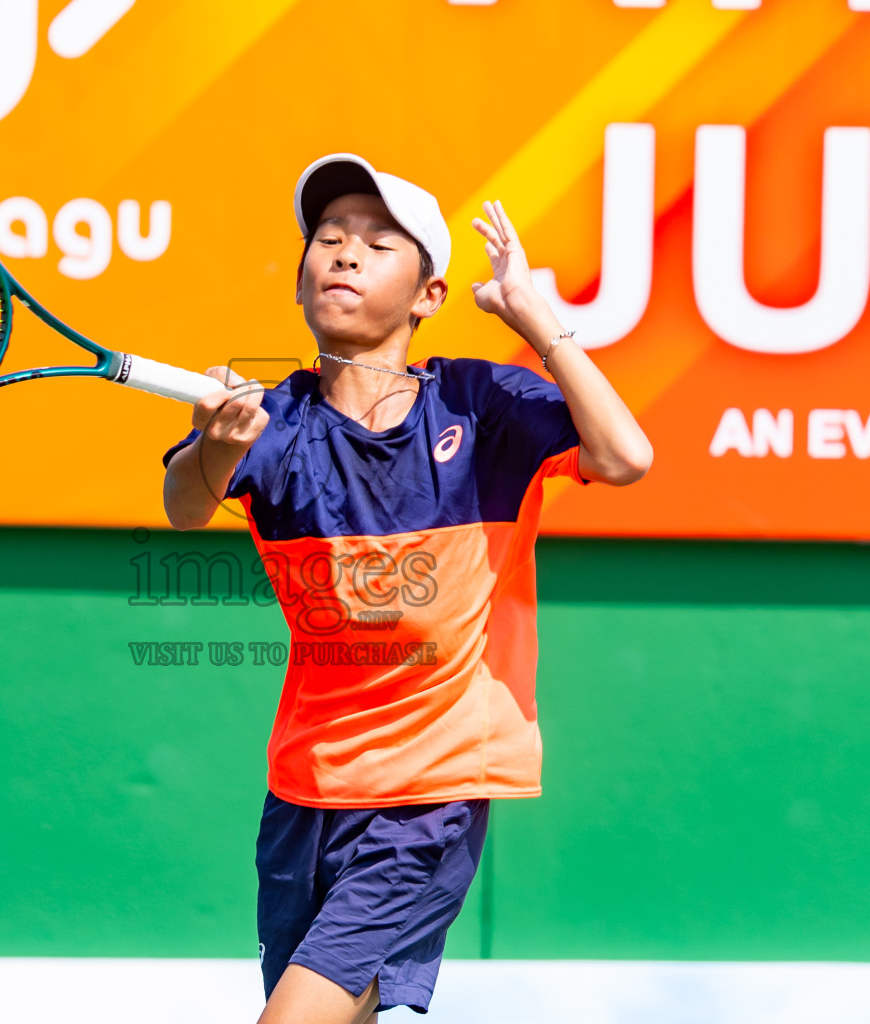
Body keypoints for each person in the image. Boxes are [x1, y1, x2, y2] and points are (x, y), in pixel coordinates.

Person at [161, 153, 652, 1024]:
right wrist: (217, 447)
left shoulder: (481, 403)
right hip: (305, 792)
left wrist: (542, 323)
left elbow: (624, 456)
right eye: (328, 239)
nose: (343, 254)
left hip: (431, 792)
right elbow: (183, 508)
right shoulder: (274, 422)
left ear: (428, 294)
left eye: (378, 243)